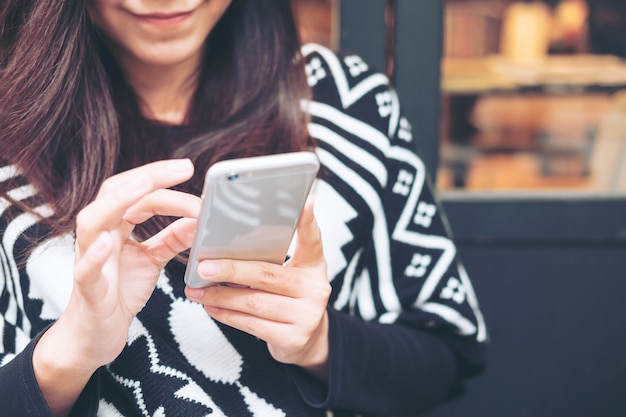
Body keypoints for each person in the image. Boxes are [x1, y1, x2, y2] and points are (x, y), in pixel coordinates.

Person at [0, 1, 487, 416]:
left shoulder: (347, 103)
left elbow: (445, 356)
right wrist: (71, 352)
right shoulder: (10, 133)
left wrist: (318, 342)